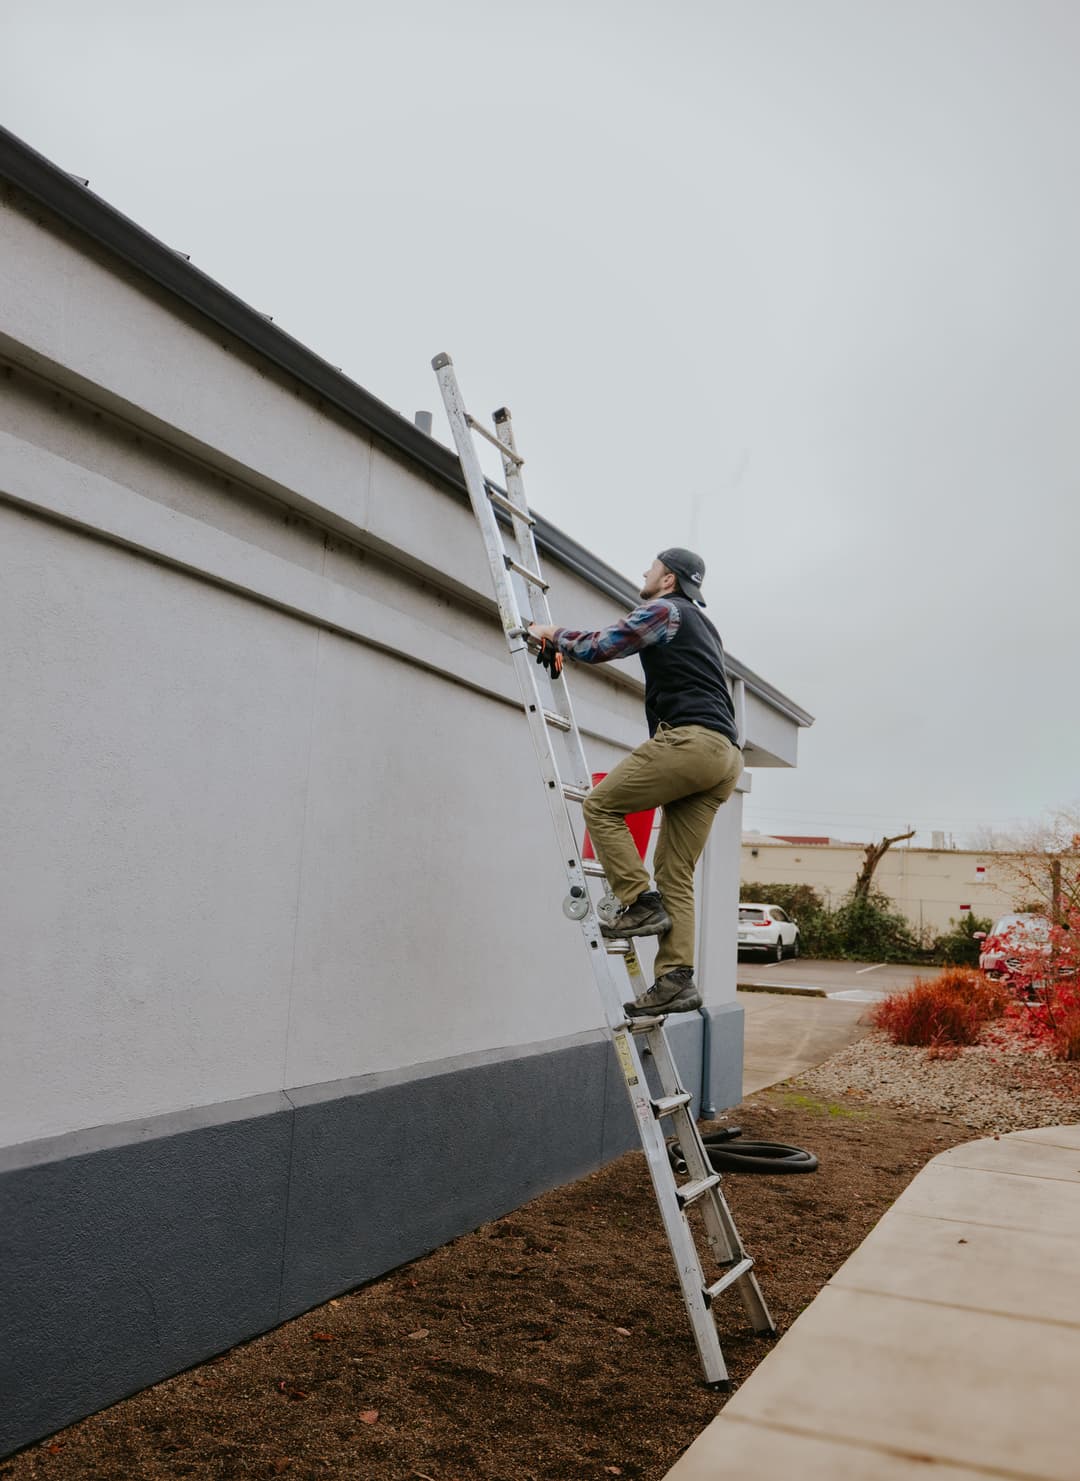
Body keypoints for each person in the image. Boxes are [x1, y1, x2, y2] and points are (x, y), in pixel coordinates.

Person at [528, 548, 742, 1017]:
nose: (645, 573)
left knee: (601, 806)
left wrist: (553, 635)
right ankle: (675, 980)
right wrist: (564, 650)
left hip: (692, 743)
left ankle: (638, 901)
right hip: (725, 758)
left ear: (668, 580)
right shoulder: (705, 626)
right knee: (676, 871)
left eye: (652, 568)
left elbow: (606, 644)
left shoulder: (664, 610)